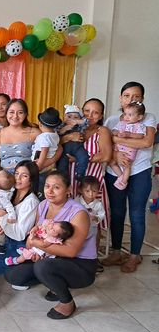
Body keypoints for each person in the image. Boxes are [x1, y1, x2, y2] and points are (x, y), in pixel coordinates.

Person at [4, 171, 97, 319]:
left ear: (68, 190)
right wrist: (34, 247)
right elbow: (36, 235)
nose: (50, 191)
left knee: (43, 267)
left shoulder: (79, 213)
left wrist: (36, 243)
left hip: (80, 264)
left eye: (56, 187)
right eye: (47, 186)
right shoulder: (43, 205)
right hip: (51, 256)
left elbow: (71, 251)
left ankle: (67, 302)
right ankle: (54, 282)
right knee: (13, 275)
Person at [103, 82, 156, 273]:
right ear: (120, 98)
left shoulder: (148, 118)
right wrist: (116, 154)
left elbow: (147, 142)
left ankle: (134, 256)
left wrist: (116, 139)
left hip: (140, 171)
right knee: (117, 213)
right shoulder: (111, 120)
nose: (130, 99)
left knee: (136, 214)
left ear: (142, 99)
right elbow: (104, 145)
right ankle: (116, 251)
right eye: (126, 95)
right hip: (114, 172)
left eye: (136, 96)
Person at [0, 160, 40, 276]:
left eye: (24, 176)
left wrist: (3, 217)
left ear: (31, 180)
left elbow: (20, 234)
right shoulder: (11, 191)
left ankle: (22, 266)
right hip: (4, 241)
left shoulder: (31, 202)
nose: (18, 178)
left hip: (17, 245)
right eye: (16, 173)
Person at [62, 98, 112, 236]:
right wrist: (68, 137)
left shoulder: (102, 131)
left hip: (92, 180)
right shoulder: (70, 128)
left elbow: (106, 155)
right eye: (86, 111)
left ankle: (92, 250)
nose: (90, 115)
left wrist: (79, 159)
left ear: (101, 116)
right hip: (71, 178)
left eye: (95, 113)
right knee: (70, 219)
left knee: (94, 221)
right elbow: (57, 144)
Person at [0, 98, 41, 176]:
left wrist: (40, 166)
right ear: (6, 113)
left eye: (20, 112)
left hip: (27, 177)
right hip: (5, 179)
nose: (15, 116)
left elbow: (55, 147)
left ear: (25, 115)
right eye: (11, 112)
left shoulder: (34, 132)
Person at [108, 101, 147, 189]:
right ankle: (121, 177)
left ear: (139, 117)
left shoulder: (139, 126)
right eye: (125, 114)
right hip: (117, 149)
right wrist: (117, 133)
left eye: (130, 115)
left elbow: (141, 136)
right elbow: (113, 131)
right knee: (111, 163)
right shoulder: (121, 123)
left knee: (127, 166)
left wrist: (129, 134)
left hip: (129, 151)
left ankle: (123, 182)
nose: (126, 117)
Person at [5, 220, 74, 265]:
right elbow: (38, 226)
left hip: (39, 251)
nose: (50, 228)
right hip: (35, 245)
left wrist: (33, 239)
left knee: (25, 255)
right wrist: (34, 230)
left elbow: (43, 245)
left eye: (53, 230)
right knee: (27, 249)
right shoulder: (48, 227)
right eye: (53, 225)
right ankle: (26, 251)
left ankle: (16, 261)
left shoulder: (52, 239)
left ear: (57, 236)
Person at [56, 105, 91, 182]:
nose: (72, 119)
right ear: (64, 116)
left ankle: (79, 173)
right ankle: (63, 179)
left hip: (78, 147)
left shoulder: (80, 126)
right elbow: (56, 135)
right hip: (64, 149)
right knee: (62, 163)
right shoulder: (61, 125)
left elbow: (87, 122)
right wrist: (64, 129)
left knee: (84, 157)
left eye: (75, 117)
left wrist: (77, 122)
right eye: (69, 116)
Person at [32, 107, 61, 172]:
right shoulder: (55, 134)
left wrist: (39, 164)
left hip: (42, 162)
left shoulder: (44, 137)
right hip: (51, 163)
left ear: (40, 124)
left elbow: (45, 150)